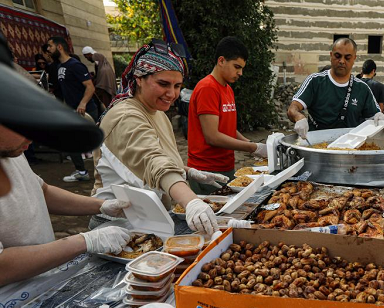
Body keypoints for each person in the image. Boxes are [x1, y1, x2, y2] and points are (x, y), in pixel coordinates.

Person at [0, 33, 131, 286]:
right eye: (22, 124)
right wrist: (84, 241)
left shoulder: (11, 148)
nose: (33, 137)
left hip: (41, 283)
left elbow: (41, 191)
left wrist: (101, 206)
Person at [92, 39, 223, 236]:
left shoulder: (158, 112)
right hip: (118, 224)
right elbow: (152, 161)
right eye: (163, 84)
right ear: (139, 79)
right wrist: (191, 202)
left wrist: (186, 171)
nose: (171, 94)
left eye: (177, 86)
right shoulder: (125, 116)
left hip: (151, 217)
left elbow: (153, 159)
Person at [187, 37, 267, 195]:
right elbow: (212, 137)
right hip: (207, 171)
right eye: (237, 67)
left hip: (225, 167)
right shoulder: (207, 88)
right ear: (221, 61)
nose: (240, 73)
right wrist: (252, 147)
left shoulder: (227, 89)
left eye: (242, 68)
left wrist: (250, 143)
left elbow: (227, 128)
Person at [288, 38, 384, 139]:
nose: (342, 61)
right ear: (331, 55)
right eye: (337, 56)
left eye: (347, 58)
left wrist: (378, 118)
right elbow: (293, 108)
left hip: (351, 146)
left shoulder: (362, 88)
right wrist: (298, 117)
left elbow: (374, 116)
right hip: (316, 144)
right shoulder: (315, 81)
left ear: (354, 58)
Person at [47, 36, 98, 183]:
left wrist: (82, 103)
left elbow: (90, 87)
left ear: (59, 47)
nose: (48, 49)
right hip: (72, 112)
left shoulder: (75, 65)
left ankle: (109, 172)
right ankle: (81, 171)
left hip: (85, 112)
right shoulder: (59, 67)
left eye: (50, 46)